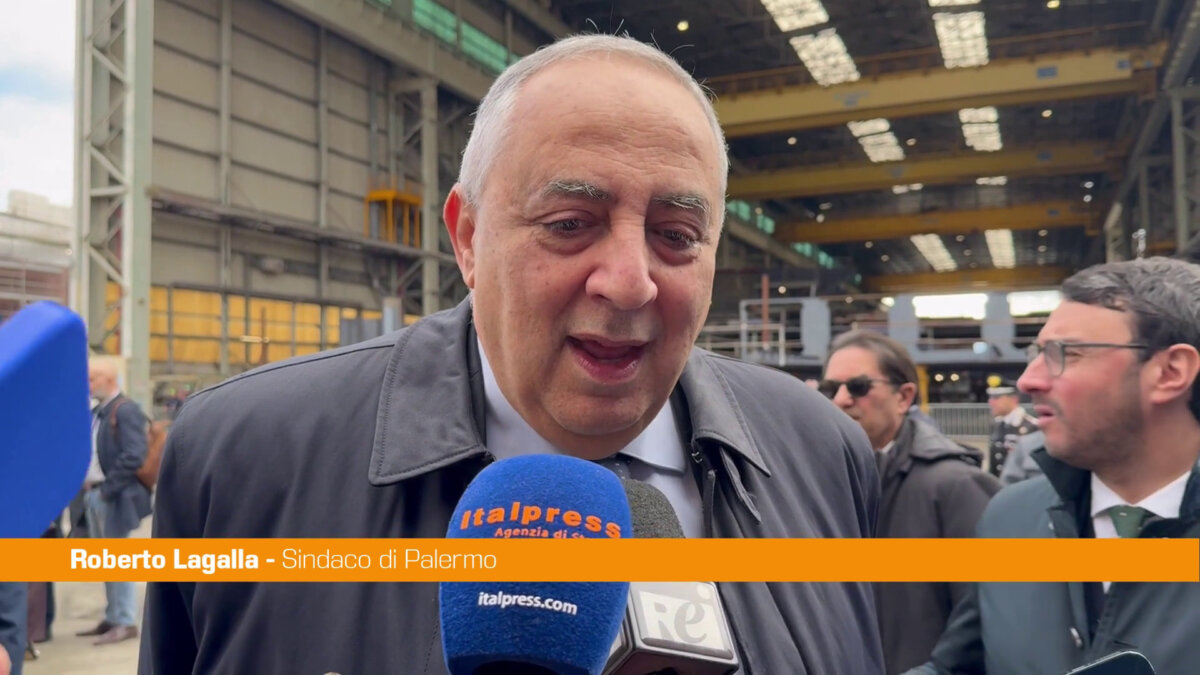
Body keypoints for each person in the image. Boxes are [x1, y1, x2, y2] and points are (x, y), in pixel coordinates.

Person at [140, 35, 884, 674]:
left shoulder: (823, 453)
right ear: (467, 238)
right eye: (569, 223)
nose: (630, 282)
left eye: (677, 235)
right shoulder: (242, 458)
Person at [910, 257, 1200, 674]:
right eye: (1037, 353)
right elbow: (956, 667)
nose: (1028, 380)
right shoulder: (1011, 518)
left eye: (1067, 353)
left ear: (1170, 372)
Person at [821, 330, 1000, 674]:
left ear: (904, 397)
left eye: (858, 386)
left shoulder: (955, 487)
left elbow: (987, 624)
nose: (841, 400)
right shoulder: (819, 483)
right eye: (831, 388)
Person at [75, 360, 151, 645]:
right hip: (95, 495)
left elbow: (135, 453)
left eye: (92, 379)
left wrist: (108, 490)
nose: (88, 385)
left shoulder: (125, 410)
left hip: (112, 496)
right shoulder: (100, 412)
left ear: (109, 380)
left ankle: (125, 620)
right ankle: (113, 616)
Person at [985, 381, 1038, 478]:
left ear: (1014, 399)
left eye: (996, 398)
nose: (991, 402)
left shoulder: (1032, 426)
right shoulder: (997, 425)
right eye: (990, 398)